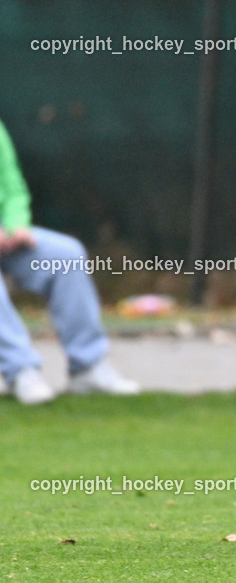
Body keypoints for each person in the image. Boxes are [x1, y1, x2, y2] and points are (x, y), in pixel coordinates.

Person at [0, 117, 140, 404]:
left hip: (6, 236)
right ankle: (21, 371)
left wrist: (17, 226)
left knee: (66, 254)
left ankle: (88, 368)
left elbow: (12, 186)